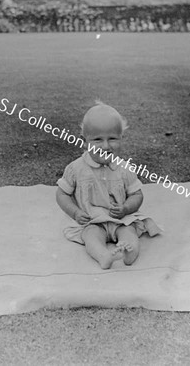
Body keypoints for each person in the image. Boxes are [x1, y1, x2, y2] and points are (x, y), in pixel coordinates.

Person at [56, 101, 161, 269]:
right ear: (85, 140)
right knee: (91, 236)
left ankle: (129, 251)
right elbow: (62, 194)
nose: (105, 146)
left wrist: (126, 208)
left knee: (129, 232)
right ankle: (103, 255)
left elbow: (137, 194)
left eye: (112, 139)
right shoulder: (76, 168)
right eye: (97, 140)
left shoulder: (125, 169)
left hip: (121, 219)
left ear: (121, 138)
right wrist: (75, 212)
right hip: (92, 220)